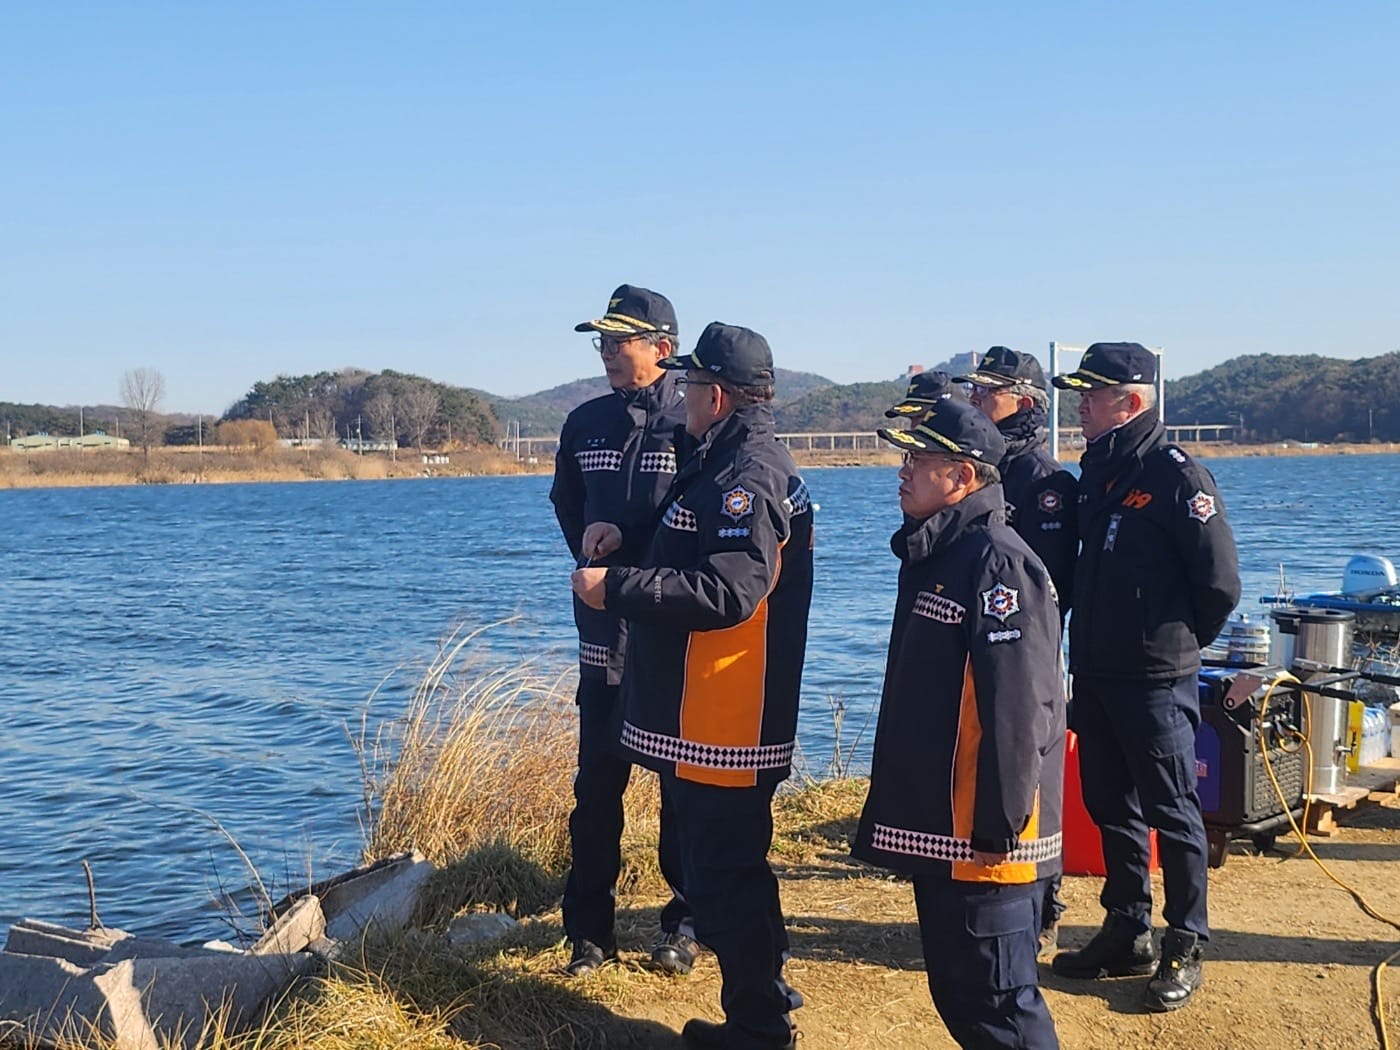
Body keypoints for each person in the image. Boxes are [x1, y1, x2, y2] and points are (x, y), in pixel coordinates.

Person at [572, 322, 813, 1050]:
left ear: (718, 394)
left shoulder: (748, 473)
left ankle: (759, 1026)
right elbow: (692, 539)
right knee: (727, 873)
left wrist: (617, 589)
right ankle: (760, 1005)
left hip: (726, 716)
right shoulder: (723, 457)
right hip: (709, 711)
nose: (683, 396)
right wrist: (633, 539)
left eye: (693, 384)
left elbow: (729, 590)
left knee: (724, 876)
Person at [852, 398, 1064, 1049]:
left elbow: (1019, 704)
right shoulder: (942, 553)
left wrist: (998, 824)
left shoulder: (997, 562)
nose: (903, 469)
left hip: (985, 834)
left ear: (965, 476)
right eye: (905, 456)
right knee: (961, 996)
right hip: (952, 830)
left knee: (998, 1005)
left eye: (921, 459)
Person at [1049, 342, 1240, 1012]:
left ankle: (1185, 941)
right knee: (1110, 804)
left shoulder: (1176, 476)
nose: (1079, 406)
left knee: (1173, 812)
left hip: (1155, 677)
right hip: (1098, 674)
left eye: (1091, 395)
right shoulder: (1100, 472)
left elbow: (1218, 585)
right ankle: (1127, 927)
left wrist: (1174, 652)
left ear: (1129, 403)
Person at [549, 284, 695, 977]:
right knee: (596, 789)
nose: (607, 353)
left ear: (662, 348)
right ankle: (589, 932)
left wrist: (629, 545)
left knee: (681, 789)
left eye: (620, 341)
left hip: (672, 637)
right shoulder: (585, 423)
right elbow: (568, 505)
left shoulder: (695, 424)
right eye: (601, 342)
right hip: (602, 638)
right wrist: (590, 548)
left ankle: (685, 924)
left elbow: (702, 534)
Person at [955, 345, 1079, 958]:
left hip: (1024, 649)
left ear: (1025, 402)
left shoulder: (1045, 481)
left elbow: (1052, 585)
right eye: (973, 391)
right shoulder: (980, 466)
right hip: (973, 646)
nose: (976, 399)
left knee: (1032, 770)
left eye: (988, 391)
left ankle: (1044, 900)